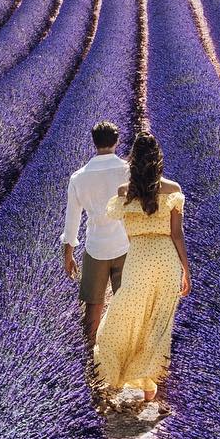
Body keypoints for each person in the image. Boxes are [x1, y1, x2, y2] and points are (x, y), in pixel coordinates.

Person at [94, 130, 190, 406]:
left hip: (138, 260)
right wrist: (186, 270)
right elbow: (177, 235)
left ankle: (111, 374)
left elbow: (127, 231)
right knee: (159, 324)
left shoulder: (124, 193)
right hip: (167, 261)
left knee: (125, 316)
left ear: (133, 160)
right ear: (158, 158)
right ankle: (150, 390)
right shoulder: (173, 190)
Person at [61, 121, 131, 349]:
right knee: (126, 302)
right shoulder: (127, 171)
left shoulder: (79, 177)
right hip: (124, 244)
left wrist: (68, 254)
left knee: (94, 303)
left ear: (94, 143)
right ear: (117, 141)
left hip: (95, 247)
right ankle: (123, 351)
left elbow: (72, 219)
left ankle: (90, 352)